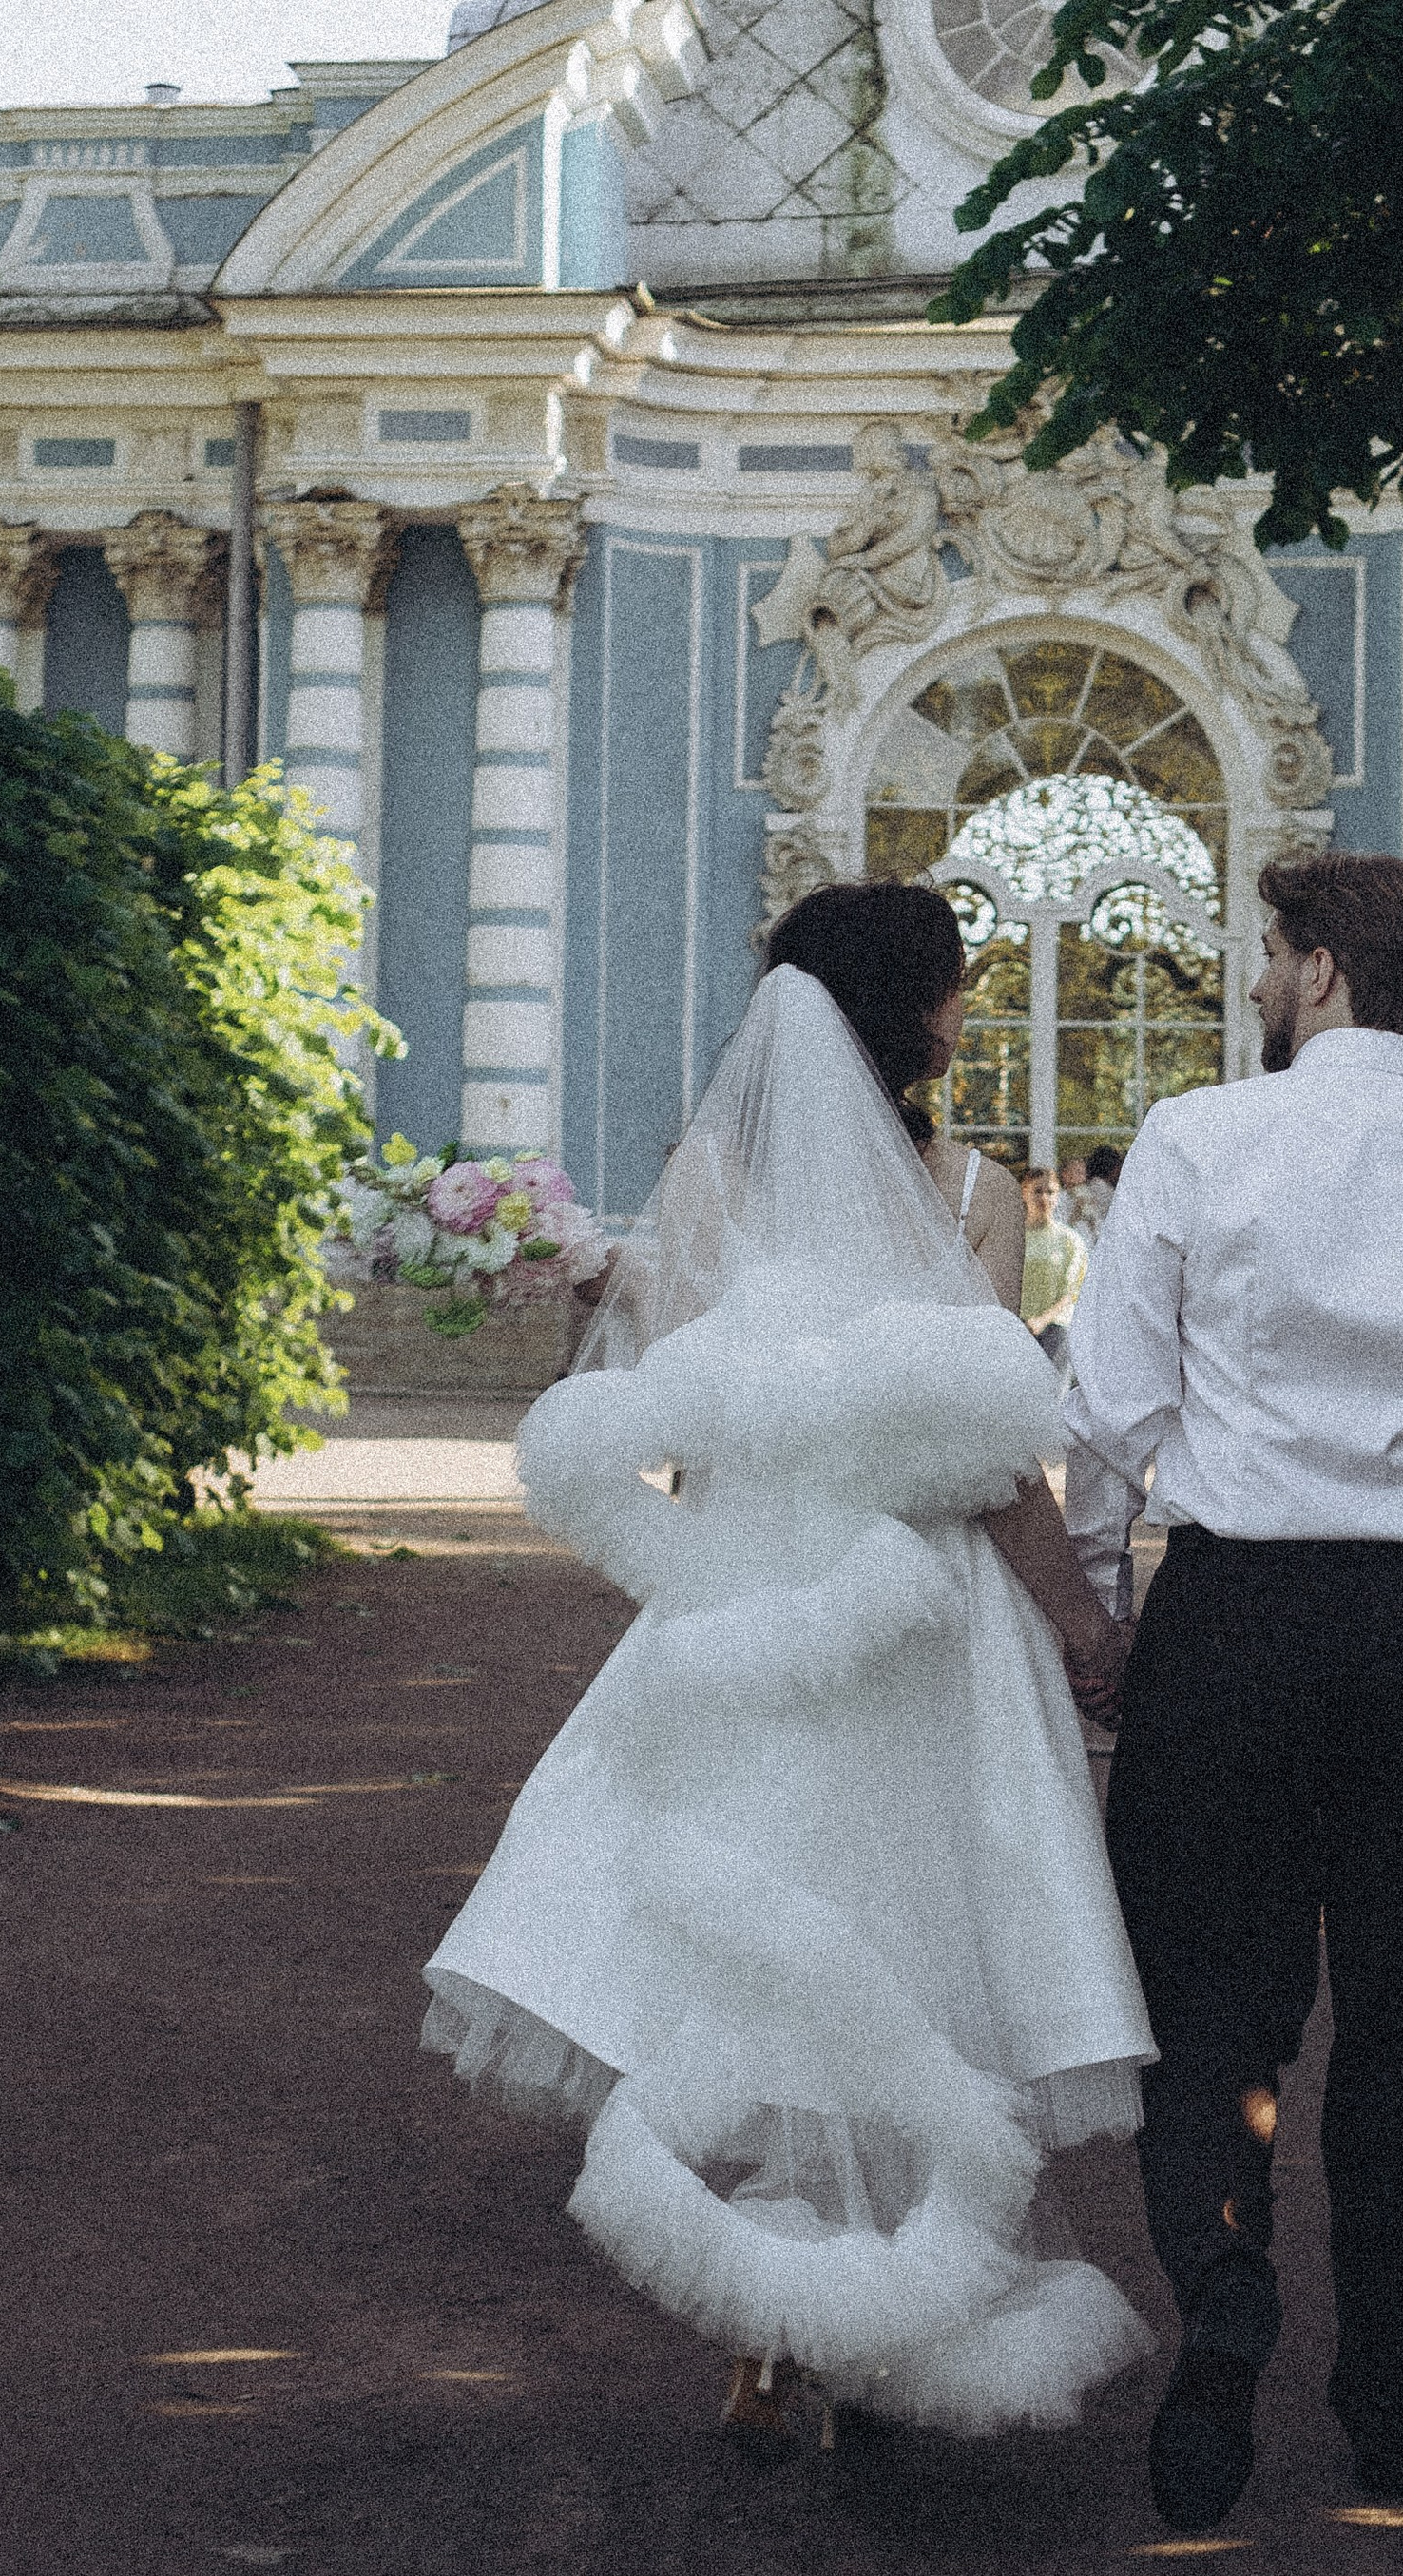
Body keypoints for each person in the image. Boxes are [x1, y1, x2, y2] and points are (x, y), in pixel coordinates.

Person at [422, 881, 1151, 2465]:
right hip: (924, 1628)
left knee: (764, 1940)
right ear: (919, 1010)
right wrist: (1093, 1631)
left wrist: (726, 1567)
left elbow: (663, 1421)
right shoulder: (970, 1192)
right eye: (956, 988)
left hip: (760, 1610)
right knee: (921, 1951)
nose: (966, 1011)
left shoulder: (706, 1182)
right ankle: (902, 2303)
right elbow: (986, 1465)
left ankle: (772, 2329)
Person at [1062, 851, 1403, 2532]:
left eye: (1266, 955)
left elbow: (1106, 1419)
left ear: (1320, 974)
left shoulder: (1194, 1141)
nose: (1251, 981)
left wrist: (1104, 1623)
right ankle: (1391, 2407)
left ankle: (1222, 2321)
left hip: (1232, 1617)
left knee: (1206, 2015)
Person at [1019, 1163, 1088, 1366]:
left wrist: (1041, 1321)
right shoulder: (1013, 1238)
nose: (1044, 1198)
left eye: (1050, 1192)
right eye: (1037, 1191)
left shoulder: (1070, 1241)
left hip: (1056, 1329)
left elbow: (1072, 1292)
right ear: (1024, 1193)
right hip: (1018, 1328)